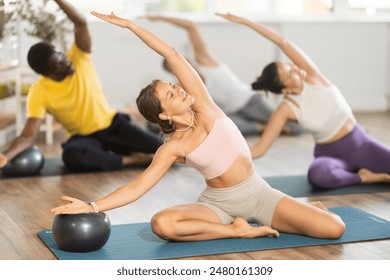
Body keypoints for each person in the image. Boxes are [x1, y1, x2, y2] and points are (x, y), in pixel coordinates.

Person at [50, 11, 345, 242]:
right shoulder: (173, 146)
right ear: (164, 116)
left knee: (334, 228)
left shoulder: (205, 106)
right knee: (162, 224)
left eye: (173, 85)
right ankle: (237, 231)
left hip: (258, 195)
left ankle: (289, 213)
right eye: (170, 94)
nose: (178, 88)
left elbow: (172, 55)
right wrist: (93, 206)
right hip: (217, 205)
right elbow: (138, 186)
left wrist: (131, 26)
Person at [217, 13, 390, 189]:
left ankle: (359, 169)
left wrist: (248, 22)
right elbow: (259, 149)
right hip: (330, 155)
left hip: (361, 144)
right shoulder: (285, 109)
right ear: (285, 89)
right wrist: (224, 156)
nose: (295, 68)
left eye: (289, 65)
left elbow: (283, 42)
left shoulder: (313, 76)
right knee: (318, 175)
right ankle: (365, 178)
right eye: (290, 73)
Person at [0, 0, 162, 173]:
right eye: (57, 65)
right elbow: (28, 134)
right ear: (47, 74)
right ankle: (132, 160)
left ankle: (114, 156)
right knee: (72, 155)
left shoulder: (79, 57)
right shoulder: (39, 91)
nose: (66, 62)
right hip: (85, 138)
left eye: (61, 55)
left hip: (114, 126)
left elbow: (81, 22)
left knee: (161, 149)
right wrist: (6, 156)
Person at [144, 15, 303, 136]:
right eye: (173, 68)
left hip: (249, 101)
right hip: (232, 112)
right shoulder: (182, 86)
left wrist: (159, 17)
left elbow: (191, 26)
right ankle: (262, 127)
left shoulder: (203, 59)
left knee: (295, 128)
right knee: (221, 126)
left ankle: (272, 125)